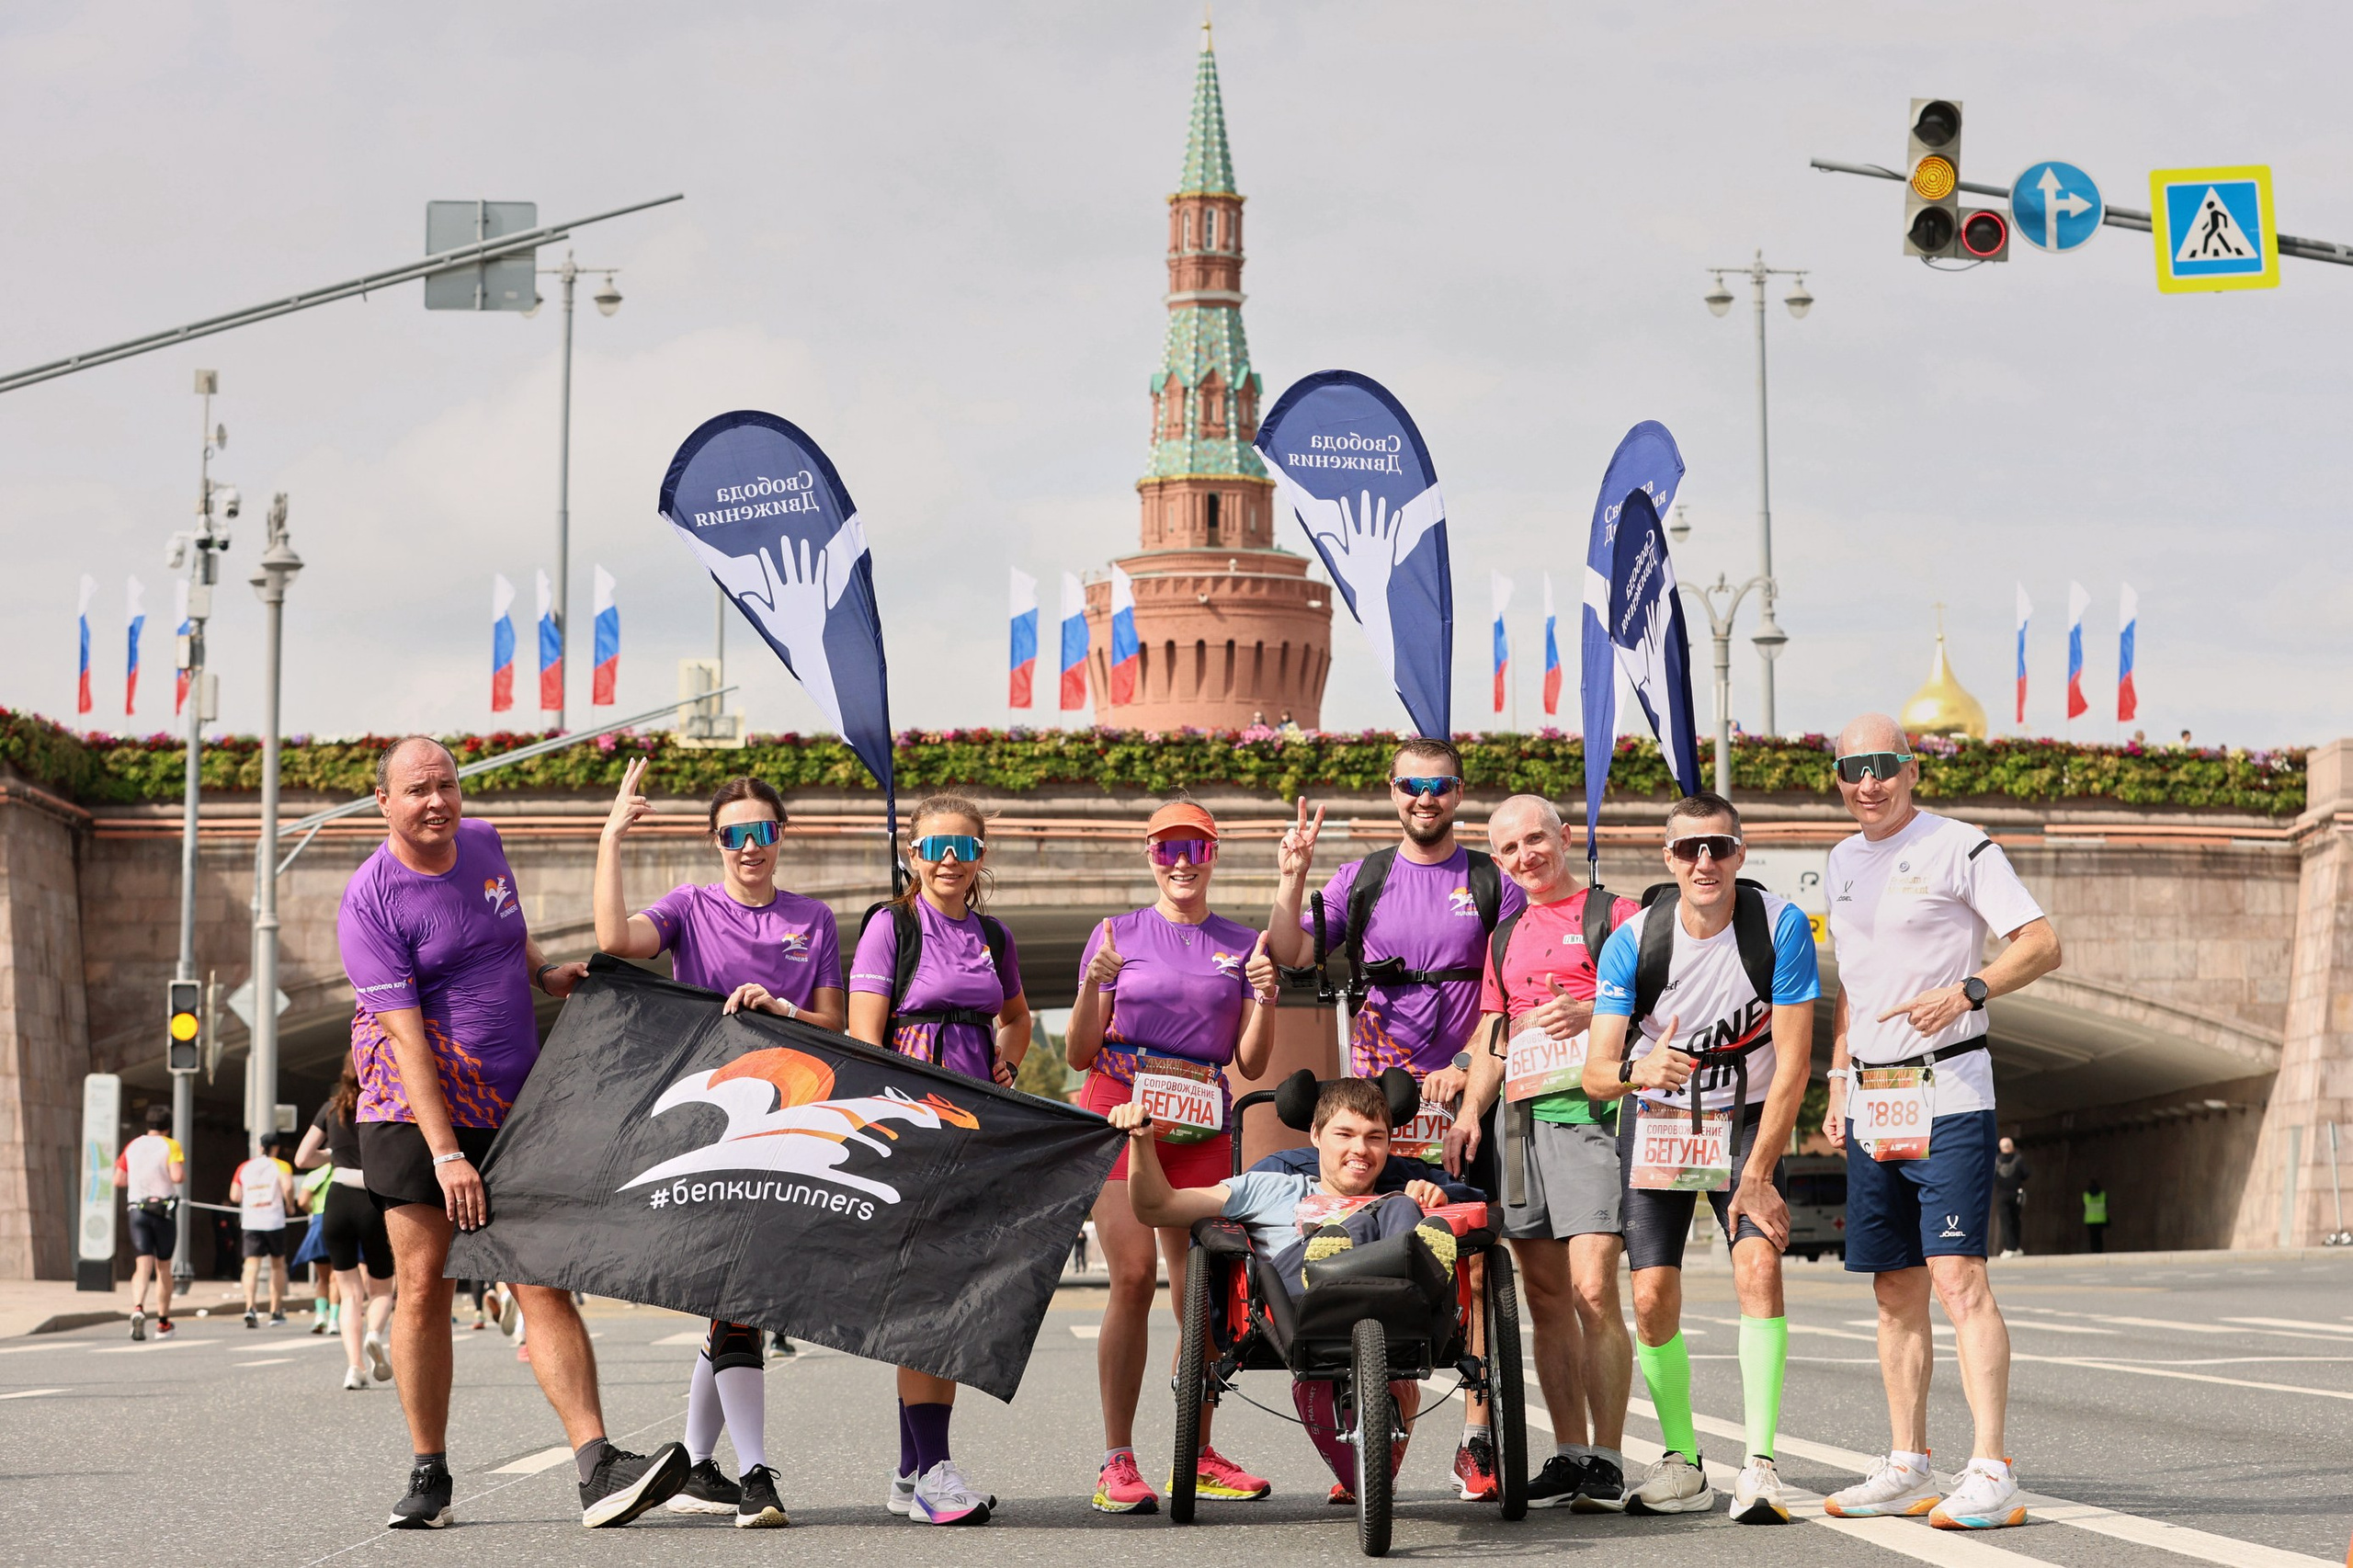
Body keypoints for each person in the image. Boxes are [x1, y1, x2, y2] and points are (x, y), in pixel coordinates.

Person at [340, 734, 689, 1530]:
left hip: (511, 1103)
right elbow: (405, 1039)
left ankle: (598, 1467)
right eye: (417, 790)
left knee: (541, 1279)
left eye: (446, 785)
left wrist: (543, 972)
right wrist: (447, 1154)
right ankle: (429, 1474)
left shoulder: (484, 842)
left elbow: (503, 930)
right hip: (411, 1112)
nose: (436, 802)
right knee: (423, 1284)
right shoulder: (371, 900)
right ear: (384, 803)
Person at [1815, 715, 2063, 1533]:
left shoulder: (1960, 845)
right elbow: (1855, 985)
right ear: (1838, 779)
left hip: (1949, 1089)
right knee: (1893, 1288)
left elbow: (2042, 943)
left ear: (1912, 770)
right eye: (1852, 768)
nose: (1869, 782)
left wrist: (1970, 990)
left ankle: (1992, 1468)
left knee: (1957, 1277)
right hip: (1872, 1096)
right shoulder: (1841, 861)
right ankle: (1907, 1462)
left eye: (1883, 765)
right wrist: (1837, 1078)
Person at [1267, 737, 1527, 1498]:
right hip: (1381, 1103)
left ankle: (1477, 1438)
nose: (1425, 797)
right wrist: (1292, 878)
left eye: (1439, 785)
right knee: (1371, 1251)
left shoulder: (1492, 882)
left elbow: (1512, 994)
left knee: (1468, 1259)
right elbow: (1292, 951)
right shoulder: (1363, 878)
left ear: (1459, 793)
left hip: (1464, 1097)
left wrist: (1468, 1067)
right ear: (1392, 791)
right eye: (1412, 784)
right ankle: (1371, 1433)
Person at [597, 761, 842, 1529]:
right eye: (734, 835)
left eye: (761, 831)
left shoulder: (815, 919)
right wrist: (611, 836)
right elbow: (615, 940)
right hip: (708, 1129)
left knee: (734, 1299)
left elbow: (837, 1025)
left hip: (790, 1125)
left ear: (781, 835)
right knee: (739, 1297)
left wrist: (783, 1009)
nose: (749, 846)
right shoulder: (690, 907)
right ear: (715, 842)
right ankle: (756, 1475)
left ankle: (699, 1466)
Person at [1581, 791, 1817, 1527]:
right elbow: (1596, 1074)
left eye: (1719, 846)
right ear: (1669, 857)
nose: (1704, 861)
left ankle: (1761, 1463)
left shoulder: (1780, 926)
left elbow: (1795, 1066)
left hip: (1746, 1115)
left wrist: (1759, 1174)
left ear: (1741, 853)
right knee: (1651, 1297)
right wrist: (1639, 1070)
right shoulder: (1634, 941)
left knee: (1759, 1266)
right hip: (1661, 1117)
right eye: (1689, 849)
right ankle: (1682, 1460)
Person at [1064, 801, 1279, 1515]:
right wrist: (1094, 984)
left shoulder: (1242, 943)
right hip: (1121, 1112)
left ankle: (1200, 1450)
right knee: (1130, 1277)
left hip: (1201, 1121)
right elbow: (1078, 1052)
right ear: (1149, 854)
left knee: (1203, 1296)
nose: (1181, 862)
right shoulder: (1115, 933)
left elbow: (1251, 1062)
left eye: (1196, 848)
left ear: (1213, 855)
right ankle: (1117, 1460)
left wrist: (1266, 997)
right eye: (1166, 849)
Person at [1113, 1076, 1459, 1503]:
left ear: (1389, 1144)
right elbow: (1156, 1206)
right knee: (1346, 1229)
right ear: (1315, 1135)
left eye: (1375, 1138)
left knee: (1399, 1208)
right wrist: (1142, 1141)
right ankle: (1330, 1260)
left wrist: (1432, 1201)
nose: (1361, 1150)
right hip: (1300, 1299)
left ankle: (1409, 1265)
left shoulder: (1401, 1195)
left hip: (1391, 1307)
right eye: (1345, 1134)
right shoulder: (1271, 1187)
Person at [1445, 796, 1639, 1512]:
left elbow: (1663, 1007)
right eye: (1509, 848)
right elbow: (1497, 1034)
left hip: (1593, 1120)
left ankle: (1608, 1459)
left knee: (1593, 1291)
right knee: (1546, 1298)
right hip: (1518, 1126)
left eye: (1536, 839)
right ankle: (1569, 1453)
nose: (1526, 855)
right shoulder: (1504, 936)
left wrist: (1593, 1012)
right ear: (1497, 860)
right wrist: (1471, 1112)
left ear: (1565, 837)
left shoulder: (1616, 916)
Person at [848, 793, 1034, 1526]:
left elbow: (1015, 1017)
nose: (948, 859)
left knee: (946, 1297)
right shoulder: (890, 928)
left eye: (963, 847)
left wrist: (1006, 1061)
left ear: (982, 855)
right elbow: (865, 1045)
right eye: (933, 847)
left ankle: (911, 1473)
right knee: (930, 1301)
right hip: (911, 1135)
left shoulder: (995, 935)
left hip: (973, 1133)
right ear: (912, 856)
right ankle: (933, 1473)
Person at [294, 1061, 398, 1391]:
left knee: (349, 1292)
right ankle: (374, 1334)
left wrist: (332, 1153)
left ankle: (354, 1367)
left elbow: (302, 1158)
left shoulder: (331, 1108)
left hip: (337, 1199)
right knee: (381, 1288)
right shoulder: (384, 1102)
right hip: (372, 1197)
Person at [111, 1104, 185, 1341]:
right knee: (163, 1267)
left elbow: (118, 1180)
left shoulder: (132, 1145)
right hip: (162, 1211)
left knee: (142, 1266)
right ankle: (163, 1322)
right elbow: (177, 1176)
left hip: (137, 1210)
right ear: (168, 1127)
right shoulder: (171, 1145)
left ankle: (138, 1308)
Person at [231, 1136, 296, 1327]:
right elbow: (288, 1186)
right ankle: (275, 1310)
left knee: (251, 1266)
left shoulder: (244, 1167)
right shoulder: (281, 1166)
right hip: (274, 1221)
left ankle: (250, 1307)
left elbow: (235, 1195)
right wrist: (289, 1204)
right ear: (276, 1148)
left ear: (260, 1147)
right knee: (278, 1265)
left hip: (251, 1221)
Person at [1995, 1138, 2029, 1258]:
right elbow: (2026, 1174)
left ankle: (2008, 1248)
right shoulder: (2019, 1160)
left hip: (2002, 1195)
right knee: (2016, 1221)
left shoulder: (1996, 1161)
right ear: (2012, 1147)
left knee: (2005, 1222)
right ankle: (2016, 1247)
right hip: (2016, 1194)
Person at [2082, 1181, 2108, 1253]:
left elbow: (2083, 1206)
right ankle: (2099, 1250)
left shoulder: (2086, 1196)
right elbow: (2106, 1205)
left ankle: (2094, 1250)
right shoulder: (2102, 1195)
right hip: (2100, 1219)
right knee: (2099, 1236)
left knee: (2092, 1236)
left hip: (2090, 1219)